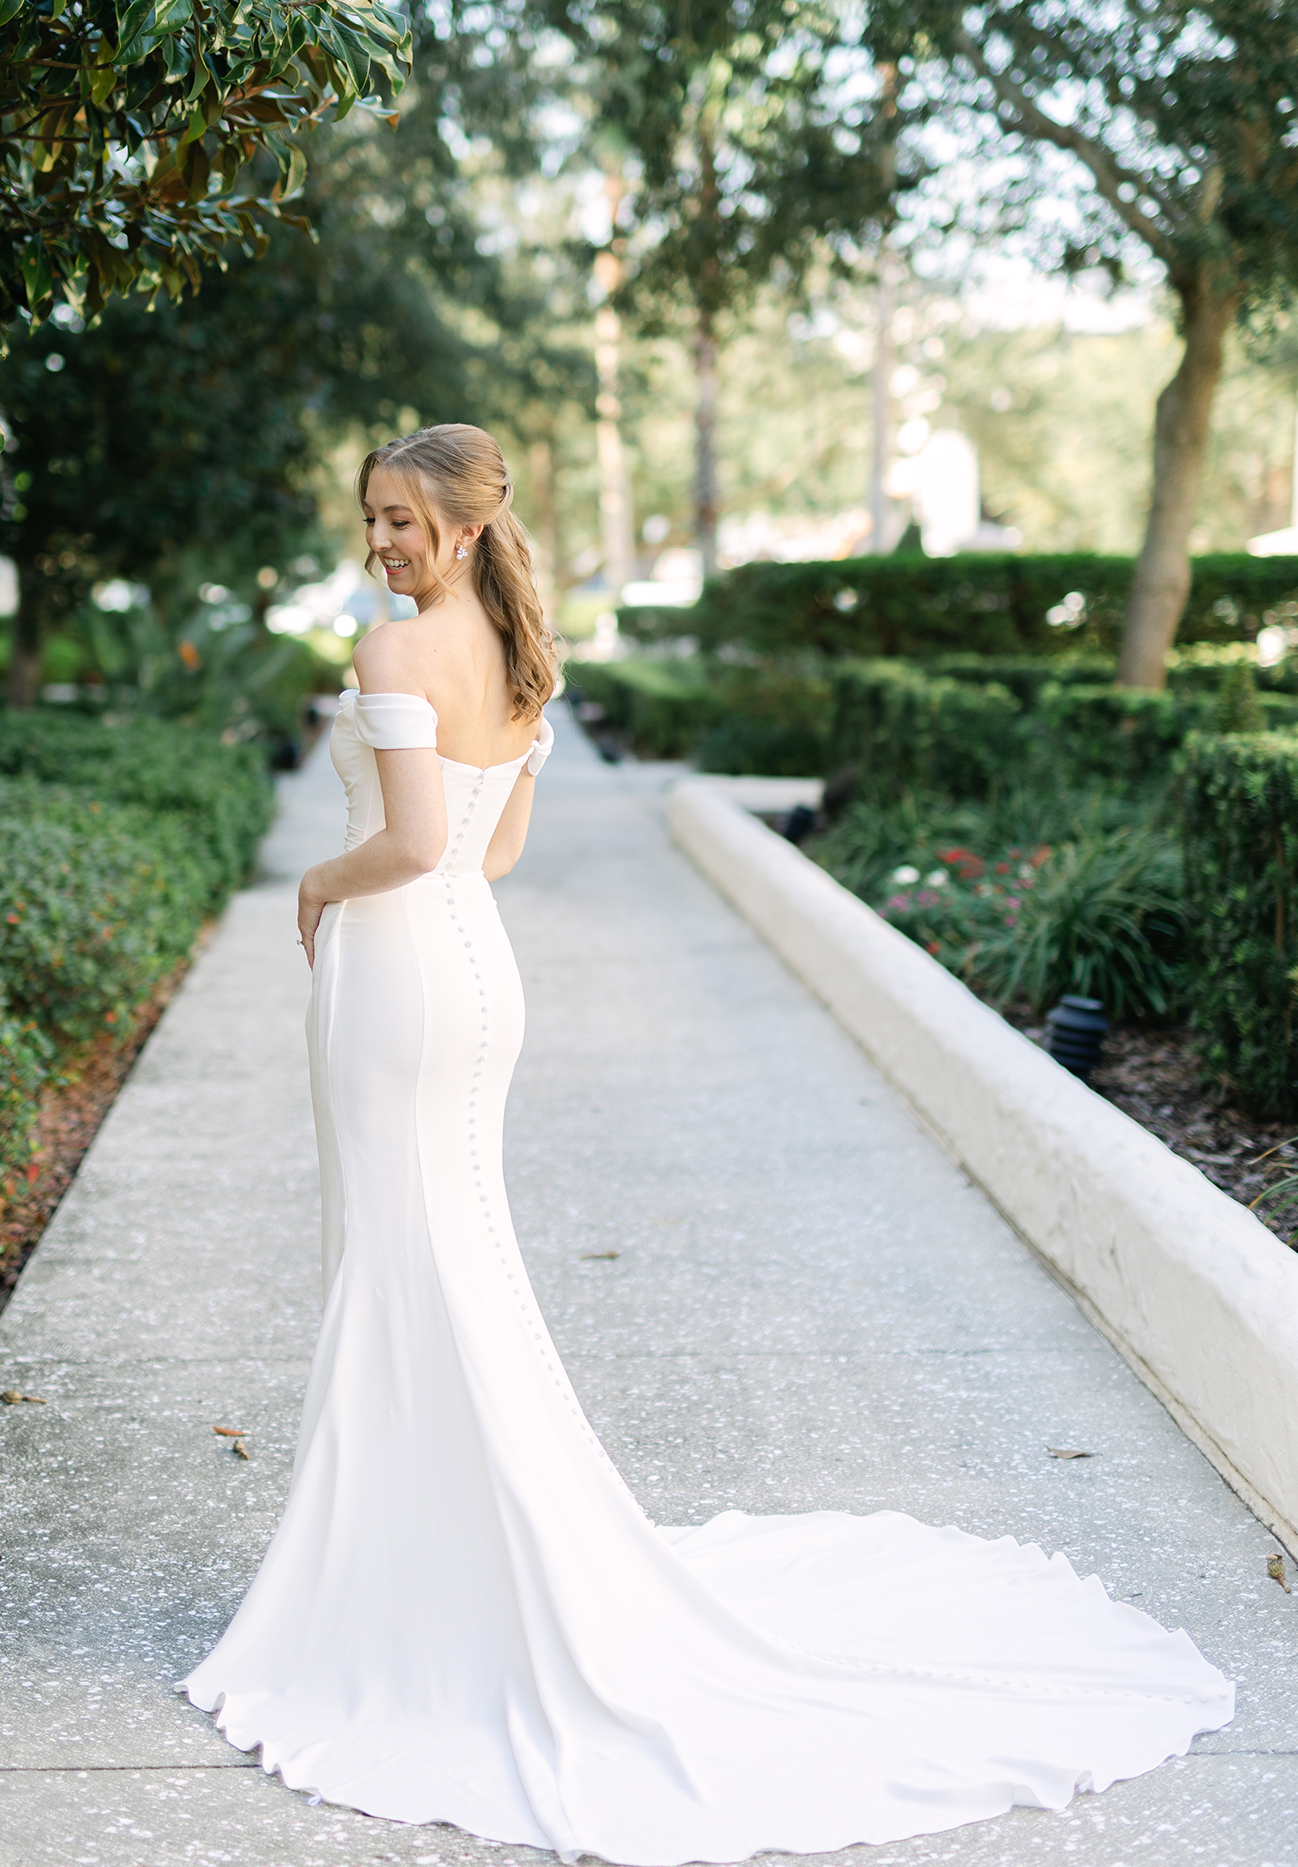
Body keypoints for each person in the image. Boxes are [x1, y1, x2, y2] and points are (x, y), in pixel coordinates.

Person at [186, 422, 1232, 1863]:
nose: (383, 547)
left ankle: (400, 1589)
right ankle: (447, 1558)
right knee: (448, 1263)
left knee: (398, 1261)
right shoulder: (510, 660)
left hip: (399, 976)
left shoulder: (392, 658)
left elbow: (421, 847)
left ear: (470, 529)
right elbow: (494, 855)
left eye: (405, 525)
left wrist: (315, 881)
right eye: (373, 523)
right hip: (479, 978)